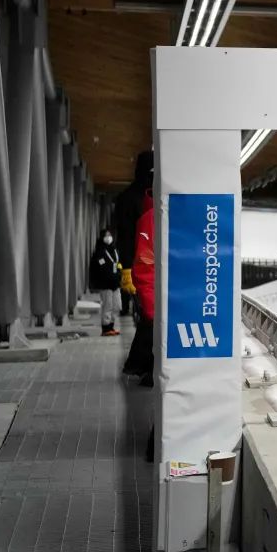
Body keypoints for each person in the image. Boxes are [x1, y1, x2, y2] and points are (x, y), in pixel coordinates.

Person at [113, 151, 152, 316]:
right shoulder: (134, 199)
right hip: (143, 267)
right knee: (148, 319)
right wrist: (127, 268)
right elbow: (125, 236)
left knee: (148, 320)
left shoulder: (131, 197)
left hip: (146, 266)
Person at [125, 188, 155, 387]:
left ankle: (142, 369)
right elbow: (145, 263)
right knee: (150, 333)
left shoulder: (149, 216)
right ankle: (145, 370)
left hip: (151, 294)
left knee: (147, 333)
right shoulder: (152, 219)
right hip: (153, 296)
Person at [88, 229, 122, 336]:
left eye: (110, 235)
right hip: (106, 284)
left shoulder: (114, 250)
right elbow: (99, 269)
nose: (108, 237)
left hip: (115, 283)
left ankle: (111, 326)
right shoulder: (100, 252)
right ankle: (106, 328)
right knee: (108, 306)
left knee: (117, 306)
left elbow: (117, 264)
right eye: (106, 235)